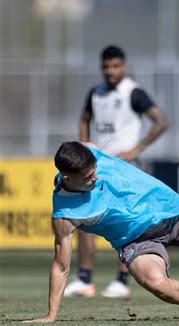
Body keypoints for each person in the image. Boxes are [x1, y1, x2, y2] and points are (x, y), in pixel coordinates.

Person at [23, 141, 179, 323]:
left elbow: (87, 145)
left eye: (95, 170)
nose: (96, 177)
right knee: (157, 285)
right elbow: (60, 266)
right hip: (136, 241)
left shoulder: (88, 151)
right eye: (89, 177)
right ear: (68, 178)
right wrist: (51, 315)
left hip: (174, 213)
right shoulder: (66, 214)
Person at [65, 45, 169, 298]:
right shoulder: (96, 92)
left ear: (123, 66)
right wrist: (83, 148)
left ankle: (122, 280)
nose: (110, 71)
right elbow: (84, 117)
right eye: (106, 67)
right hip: (97, 168)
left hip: (125, 168)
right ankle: (85, 279)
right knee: (85, 218)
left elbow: (161, 121)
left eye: (115, 66)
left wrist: (136, 149)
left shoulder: (134, 92)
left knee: (127, 223)